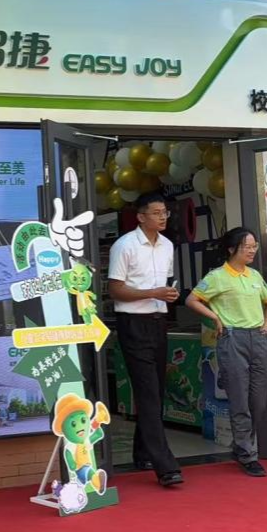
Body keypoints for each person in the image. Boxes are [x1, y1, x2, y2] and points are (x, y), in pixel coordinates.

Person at [186, 227, 267, 477]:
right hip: (232, 338)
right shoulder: (217, 277)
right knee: (239, 399)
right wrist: (215, 317)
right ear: (231, 249)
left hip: (257, 338)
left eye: (254, 246)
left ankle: (243, 445)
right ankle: (247, 454)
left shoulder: (254, 275)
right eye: (247, 246)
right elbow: (191, 300)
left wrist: (266, 325)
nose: (252, 251)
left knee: (258, 399)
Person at [108, 192, 182, 487]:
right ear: (140, 217)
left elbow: (164, 284)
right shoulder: (124, 245)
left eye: (165, 212)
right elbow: (115, 290)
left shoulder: (167, 245)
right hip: (133, 323)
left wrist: (168, 294)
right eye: (156, 213)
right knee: (148, 391)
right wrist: (153, 293)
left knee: (156, 390)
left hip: (158, 321)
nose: (162, 217)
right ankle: (165, 466)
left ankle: (143, 453)